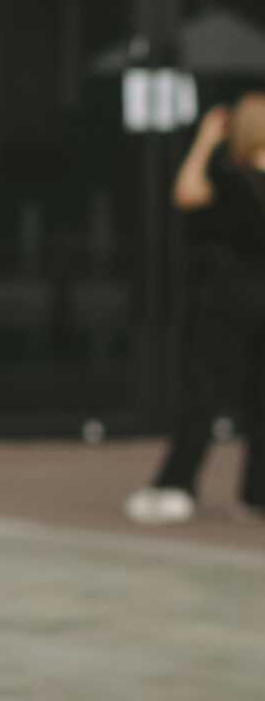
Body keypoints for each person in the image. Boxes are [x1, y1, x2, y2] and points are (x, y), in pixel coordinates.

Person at [126, 95, 265, 526]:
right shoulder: (231, 176)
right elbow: (186, 194)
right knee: (207, 387)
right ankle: (176, 483)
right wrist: (205, 142)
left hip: (246, 291)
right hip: (235, 292)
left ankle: (256, 491)